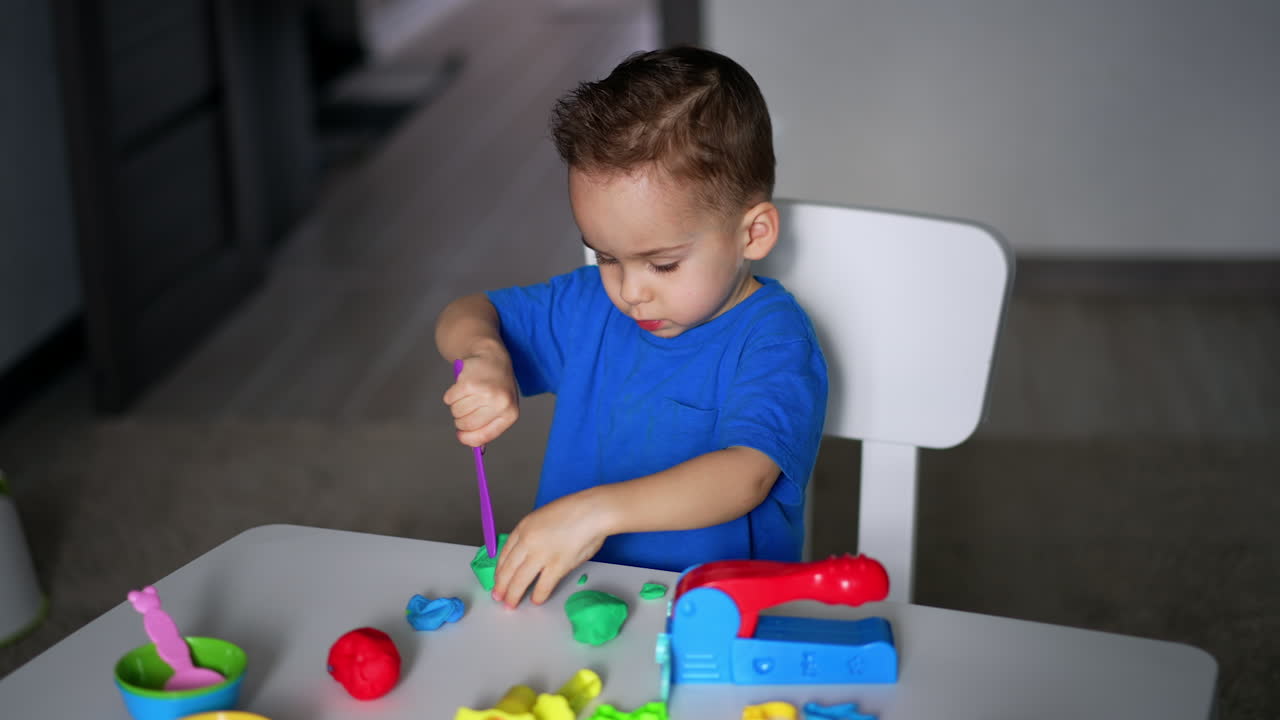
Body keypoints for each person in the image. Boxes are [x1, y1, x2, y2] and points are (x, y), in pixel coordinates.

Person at [434, 46, 828, 608]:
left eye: (662, 263)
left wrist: (592, 514)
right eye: (607, 256)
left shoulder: (773, 339)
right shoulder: (588, 304)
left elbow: (746, 476)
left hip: (717, 615)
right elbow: (467, 312)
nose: (629, 290)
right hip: (578, 595)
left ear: (754, 233)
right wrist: (484, 354)